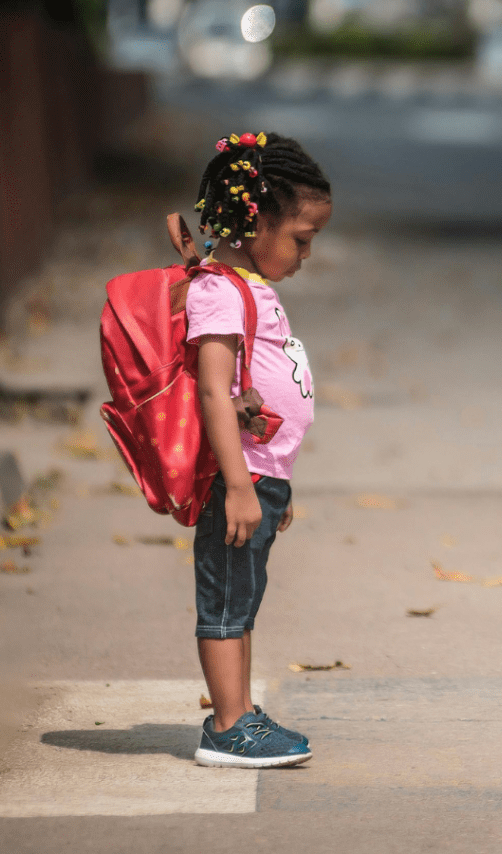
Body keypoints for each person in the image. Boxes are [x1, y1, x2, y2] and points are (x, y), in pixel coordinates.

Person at [186, 131, 332, 768]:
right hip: (237, 481)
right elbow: (215, 391)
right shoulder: (219, 291)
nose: (306, 253)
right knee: (223, 604)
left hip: (260, 479)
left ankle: (240, 712)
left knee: (242, 599)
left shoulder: (245, 288)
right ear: (256, 221)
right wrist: (241, 485)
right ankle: (226, 726)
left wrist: (274, 486)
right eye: (300, 238)